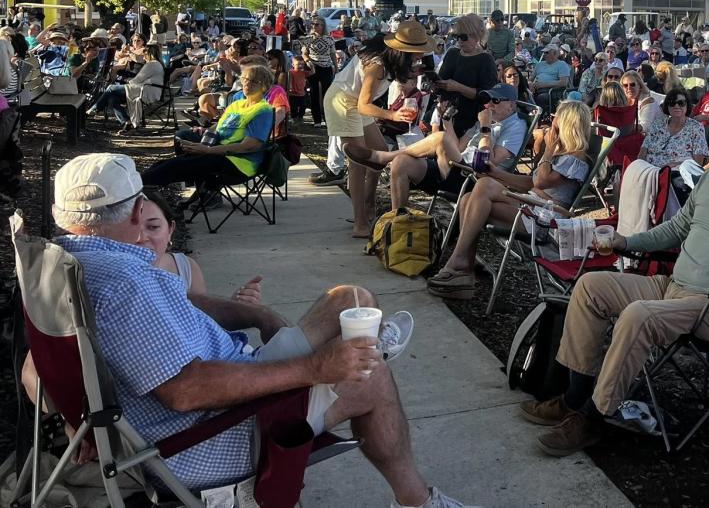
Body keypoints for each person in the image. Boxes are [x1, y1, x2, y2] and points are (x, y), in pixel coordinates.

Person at [46, 153, 468, 508]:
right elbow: (186, 392)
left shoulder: (64, 263)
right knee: (371, 377)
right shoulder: (127, 285)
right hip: (206, 436)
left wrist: (259, 316)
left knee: (349, 298)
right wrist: (315, 369)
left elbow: (180, 314)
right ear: (139, 210)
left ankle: (365, 350)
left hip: (228, 378)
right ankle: (419, 501)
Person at [520, 111, 709, 456]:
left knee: (639, 315)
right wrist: (628, 241)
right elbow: (677, 229)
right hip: (676, 288)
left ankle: (595, 418)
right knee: (591, 286)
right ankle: (574, 398)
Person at [428, 99, 590, 300]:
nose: (551, 121)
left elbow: (539, 181)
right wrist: (496, 173)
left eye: (556, 118)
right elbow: (530, 183)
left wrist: (548, 149)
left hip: (546, 219)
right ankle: (464, 271)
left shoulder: (577, 158)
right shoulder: (561, 153)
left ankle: (459, 263)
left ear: (566, 124)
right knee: (468, 198)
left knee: (484, 187)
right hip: (530, 206)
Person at [321, 24, 433, 237]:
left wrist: (413, 71)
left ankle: (369, 206)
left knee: (379, 154)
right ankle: (360, 223)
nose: (420, 57)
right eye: (417, 53)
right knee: (358, 163)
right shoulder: (378, 66)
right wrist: (392, 115)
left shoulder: (391, 60)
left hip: (355, 102)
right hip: (343, 102)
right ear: (404, 50)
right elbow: (364, 105)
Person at [142, 63, 276, 211]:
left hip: (238, 163)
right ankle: (203, 190)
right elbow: (220, 126)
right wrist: (205, 131)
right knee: (179, 143)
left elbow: (251, 145)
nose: (247, 84)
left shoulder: (263, 111)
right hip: (219, 151)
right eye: (245, 79)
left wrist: (207, 150)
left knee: (173, 167)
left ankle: (142, 192)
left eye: (253, 81)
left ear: (264, 86)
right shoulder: (237, 104)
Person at [387, 82, 527, 218]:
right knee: (401, 163)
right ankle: (397, 223)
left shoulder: (516, 126)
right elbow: (459, 148)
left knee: (440, 138)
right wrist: (447, 122)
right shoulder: (485, 120)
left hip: (474, 179)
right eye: (487, 100)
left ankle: (385, 157)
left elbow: (488, 164)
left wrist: (486, 129)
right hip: (455, 169)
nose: (489, 105)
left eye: (495, 100)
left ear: (512, 105)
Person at [432, 14, 498, 140]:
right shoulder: (452, 53)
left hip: (470, 119)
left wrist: (458, 87)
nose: (459, 41)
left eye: (463, 37)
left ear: (476, 36)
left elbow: (486, 95)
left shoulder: (485, 60)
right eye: (457, 36)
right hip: (447, 114)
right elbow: (441, 82)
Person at [89, 43, 165, 134]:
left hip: (146, 91)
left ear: (149, 54)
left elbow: (137, 80)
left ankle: (95, 109)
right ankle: (127, 121)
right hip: (146, 89)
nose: (143, 57)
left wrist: (128, 81)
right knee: (112, 99)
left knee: (111, 88)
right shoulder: (156, 64)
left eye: (144, 54)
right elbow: (140, 79)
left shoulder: (152, 64)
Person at [639, 87, 708, 169]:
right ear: (667, 105)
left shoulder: (696, 127)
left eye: (681, 103)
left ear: (687, 105)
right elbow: (643, 151)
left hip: (676, 174)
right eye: (672, 103)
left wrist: (673, 166)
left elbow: (697, 163)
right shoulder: (657, 124)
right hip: (650, 171)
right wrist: (640, 168)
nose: (676, 106)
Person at [304, 16, 337, 127]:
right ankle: (317, 120)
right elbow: (304, 53)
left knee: (327, 94)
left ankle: (328, 119)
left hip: (326, 67)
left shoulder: (330, 39)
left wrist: (335, 67)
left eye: (317, 24)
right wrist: (308, 61)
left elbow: (333, 54)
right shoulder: (308, 38)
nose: (315, 26)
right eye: (313, 24)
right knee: (314, 93)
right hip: (313, 66)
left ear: (323, 26)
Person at [531, 43, 571, 112]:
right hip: (535, 89)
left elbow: (563, 83)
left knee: (541, 97)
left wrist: (543, 85)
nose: (544, 55)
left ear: (555, 54)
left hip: (552, 91)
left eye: (547, 52)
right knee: (523, 94)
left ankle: (537, 118)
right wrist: (530, 85)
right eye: (543, 52)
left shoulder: (562, 65)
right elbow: (530, 79)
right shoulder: (540, 64)